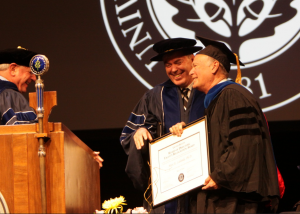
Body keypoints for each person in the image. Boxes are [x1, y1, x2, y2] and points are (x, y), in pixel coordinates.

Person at [170, 36, 280, 213]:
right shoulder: (218, 99)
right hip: (224, 196)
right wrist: (187, 135)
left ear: (214, 66)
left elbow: (244, 144)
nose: (191, 72)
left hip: (235, 199)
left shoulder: (232, 95)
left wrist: (220, 176)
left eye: (195, 66)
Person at [120, 38, 206, 213]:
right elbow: (128, 137)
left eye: (178, 62)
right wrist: (140, 131)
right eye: (168, 65)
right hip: (167, 195)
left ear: (192, 59)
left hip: (205, 191)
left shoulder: (208, 92)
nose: (173, 69)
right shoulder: (154, 96)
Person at [0, 47, 104, 168]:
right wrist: (83, 156)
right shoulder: (8, 95)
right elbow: (29, 143)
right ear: (13, 69)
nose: (34, 78)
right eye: (30, 72)